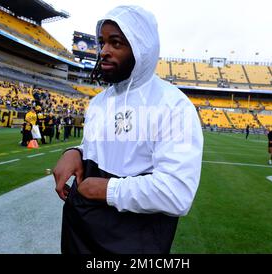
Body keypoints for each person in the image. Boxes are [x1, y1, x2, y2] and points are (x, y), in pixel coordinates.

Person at [52, 6, 203, 254]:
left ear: (141, 48)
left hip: (133, 242)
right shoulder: (100, 101)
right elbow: (112, 148)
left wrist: (107, 189)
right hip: (78, 233)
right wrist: (76, 152)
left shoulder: (173, 105)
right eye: (102, 42)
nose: (104, 51)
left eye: (116, 43)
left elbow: (177, 193)